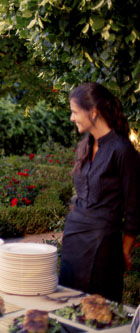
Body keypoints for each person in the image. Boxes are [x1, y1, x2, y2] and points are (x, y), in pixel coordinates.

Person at [59, 82, 140, 302]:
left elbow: (135, 208)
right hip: (74, 240)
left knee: (97, 312)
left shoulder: (123, 150)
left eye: (75, 112)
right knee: (67, 307)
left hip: (102, 245)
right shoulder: (84, 146)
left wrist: (124, 250)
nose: (71, 118)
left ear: (93, 112)